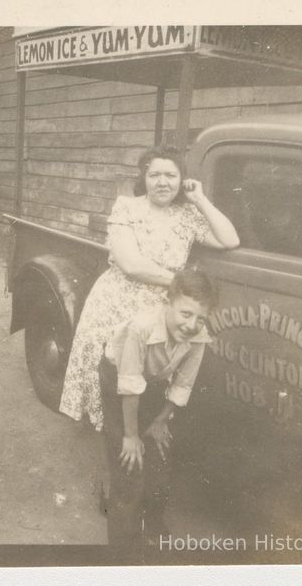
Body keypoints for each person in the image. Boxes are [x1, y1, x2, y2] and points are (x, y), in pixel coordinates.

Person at [59, 145, 239, 431]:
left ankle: (139, 431)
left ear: (182, 180)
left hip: (161, 307)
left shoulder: (188, 214)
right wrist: (179, 284)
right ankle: (110, 431)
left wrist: (200, 199)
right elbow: (131, 264)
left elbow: (230, 240)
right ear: (144, 178)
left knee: (151, 370)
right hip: (116, 303)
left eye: (171, 175)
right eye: (154, 174)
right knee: (109, 369)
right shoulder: (127, 207)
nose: (163, 182)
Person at [99, 269, 217, 546]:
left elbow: (182, 386)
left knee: (160, 458)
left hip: (151, 384)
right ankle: (123, 545)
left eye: (200, 318)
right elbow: (129, 384)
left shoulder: (199, 337)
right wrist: (130, 435)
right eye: (185, 314)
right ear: (168, 302)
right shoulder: (141, 327)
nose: (191, 325)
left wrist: (160, 421)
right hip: (118, 380)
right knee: (130, 464)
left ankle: (152, 522)